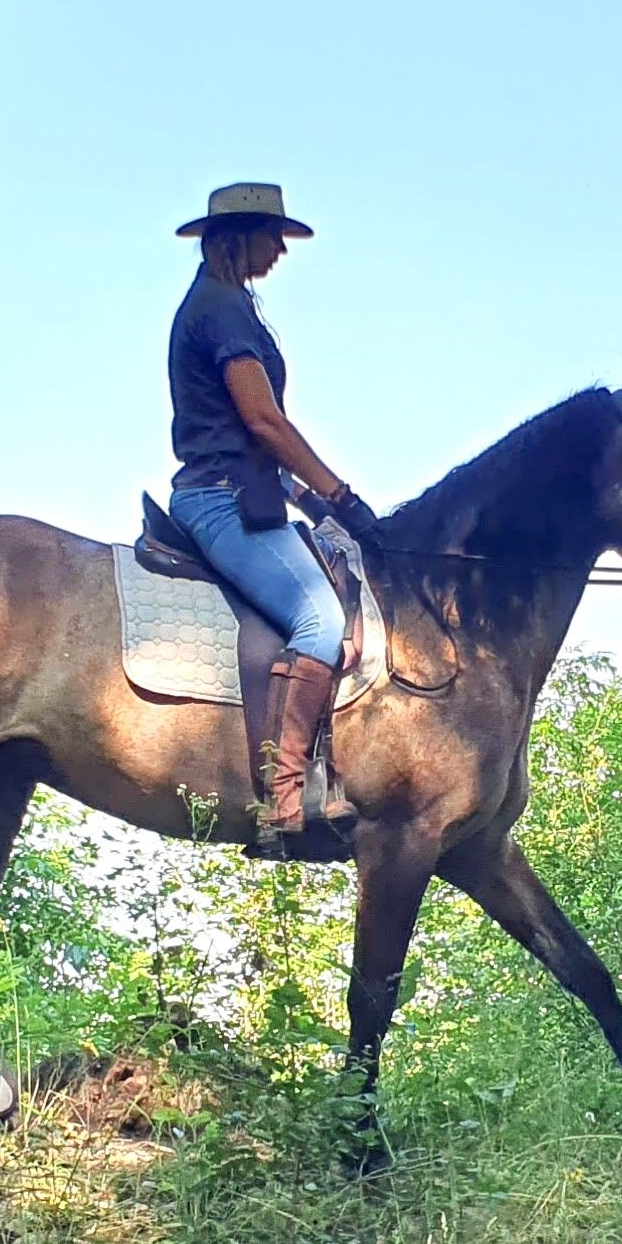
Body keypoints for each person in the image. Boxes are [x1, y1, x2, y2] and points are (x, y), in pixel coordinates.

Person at [165, 181, 367, 837]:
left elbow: (259, 445)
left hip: (247, 490)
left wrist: (308, 499)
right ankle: (284, 800)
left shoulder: (229, 304)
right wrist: (340, 493)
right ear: (237, 239)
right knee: (321, 617)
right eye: (271, 236)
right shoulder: (222, 309)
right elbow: (263, 422)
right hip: (219, 499)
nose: (280, 248)